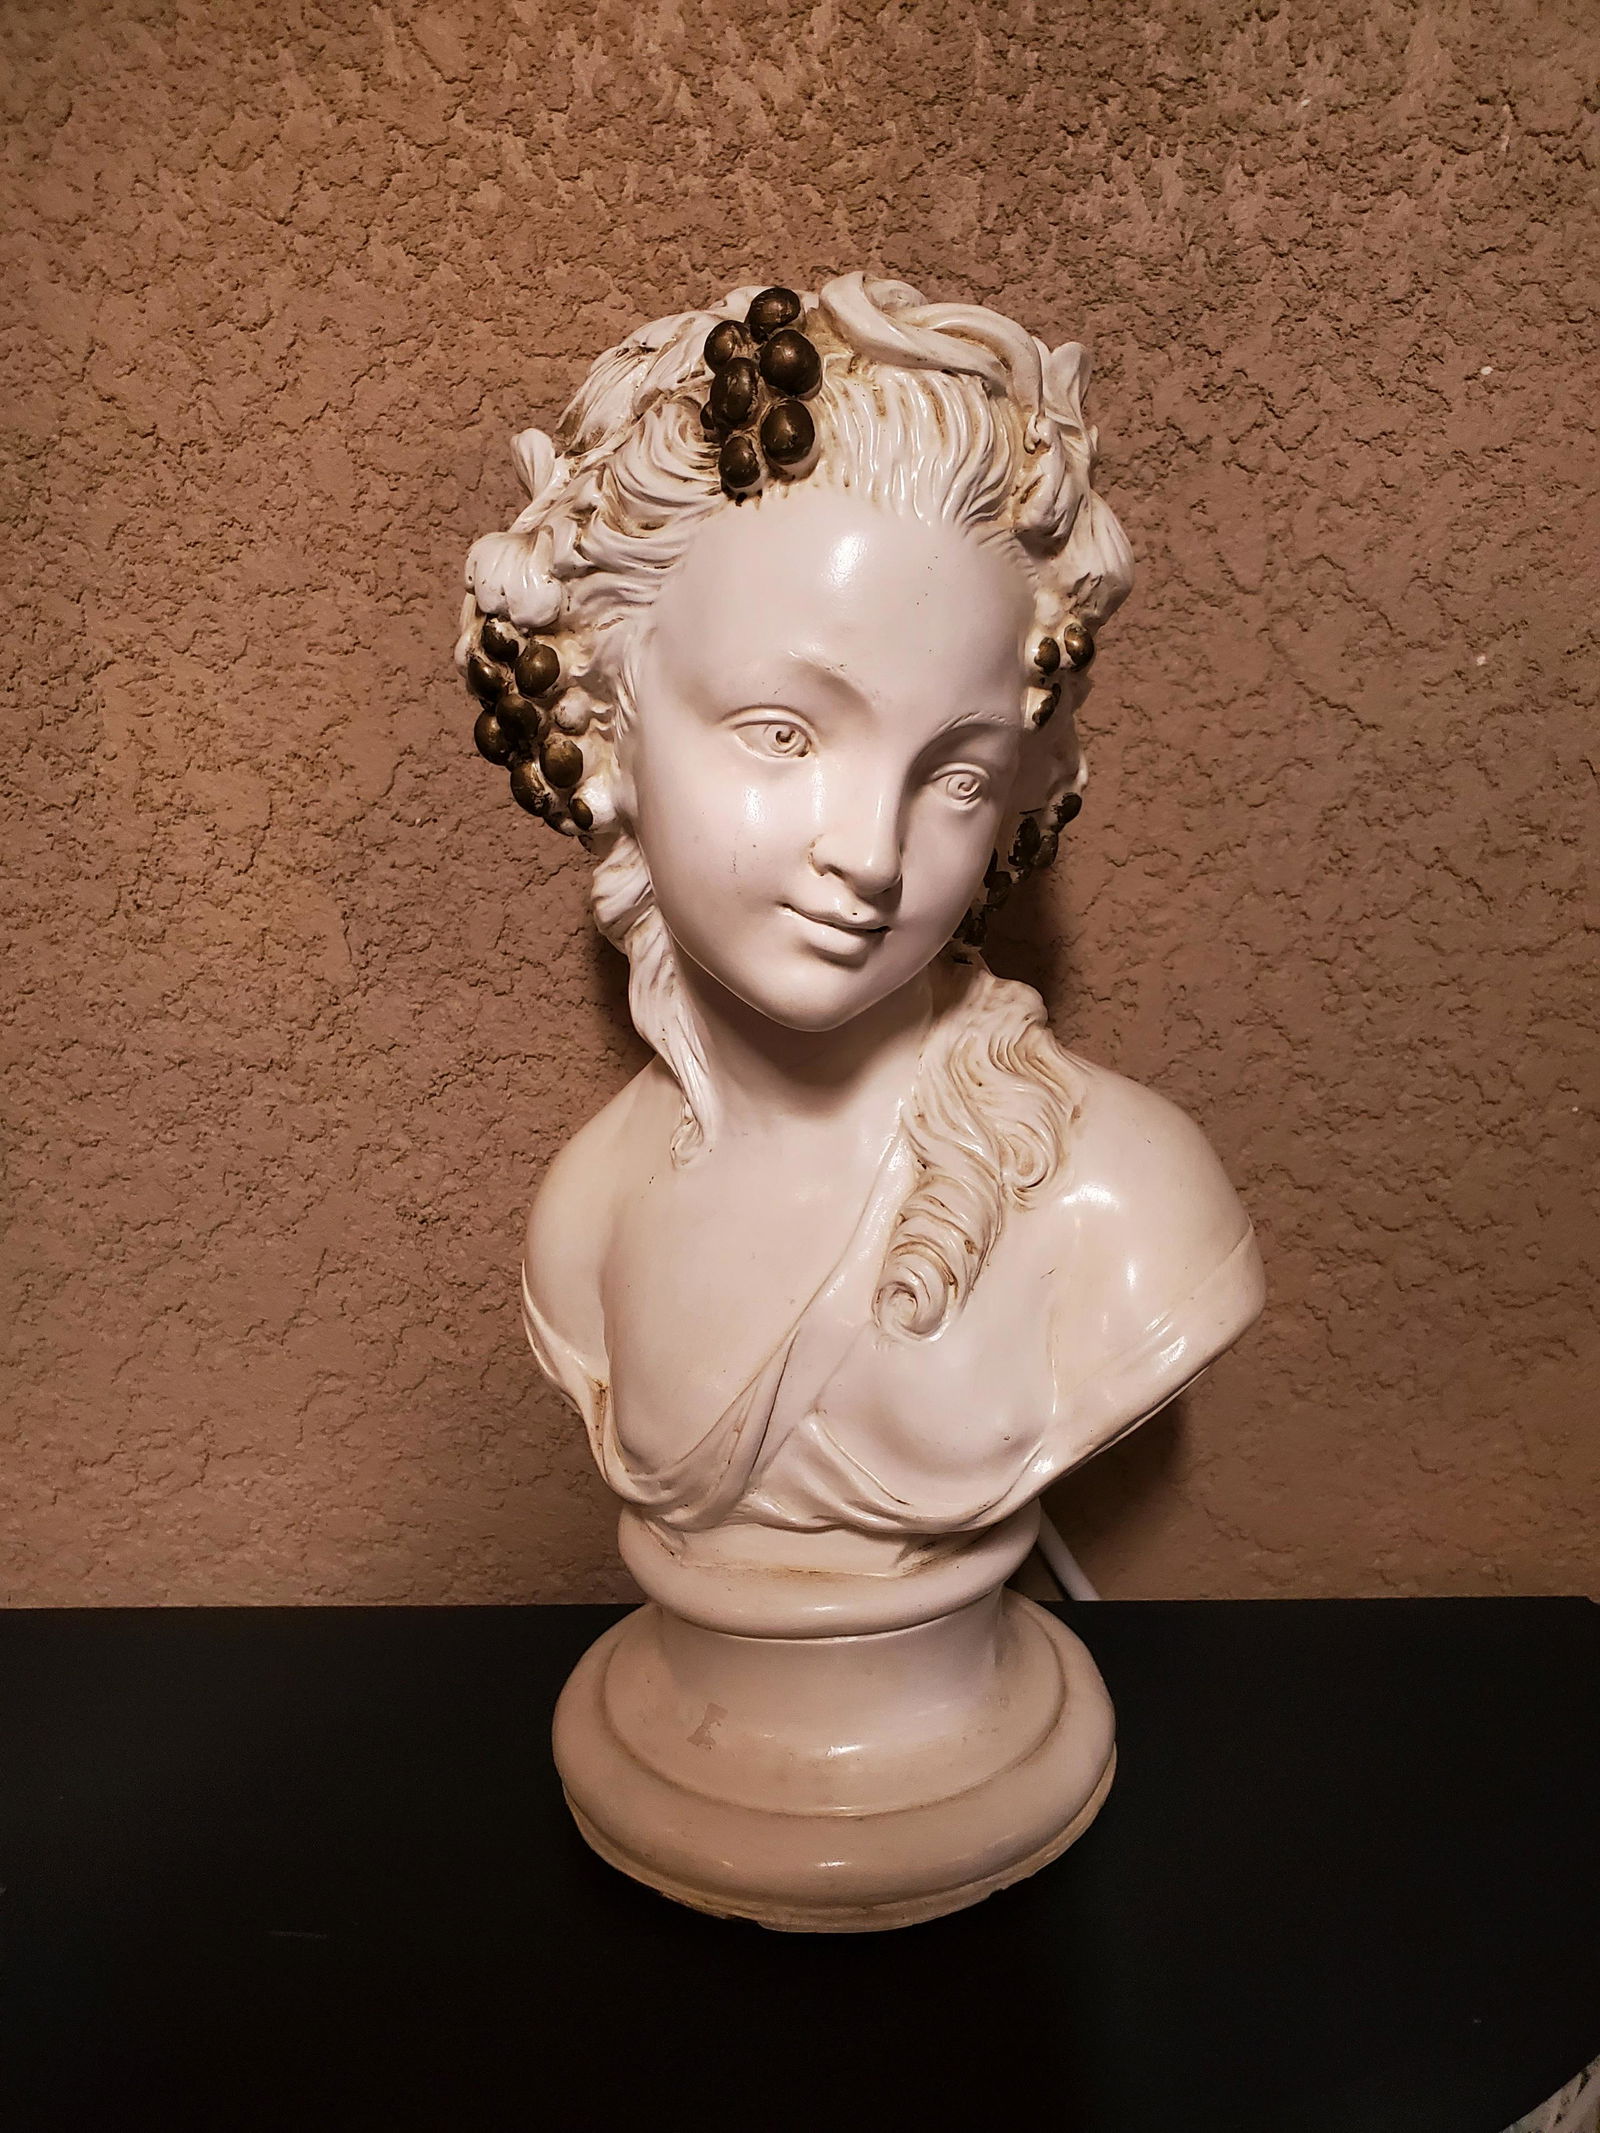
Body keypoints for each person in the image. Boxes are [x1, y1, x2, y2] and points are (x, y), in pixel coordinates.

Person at [457, 273, 1263, 1559]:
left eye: (956, 776)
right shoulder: (586, 1220)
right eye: (783, 734)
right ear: (606, 722)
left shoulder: (1121, 1201)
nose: (871, 854)